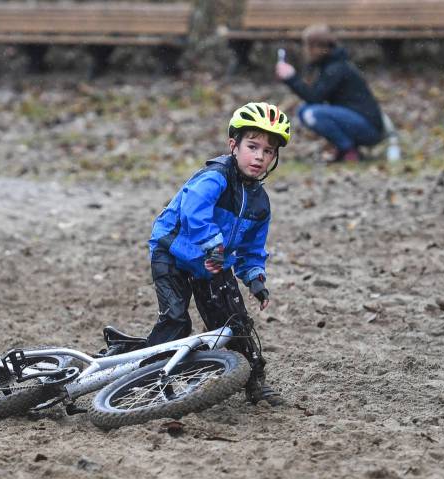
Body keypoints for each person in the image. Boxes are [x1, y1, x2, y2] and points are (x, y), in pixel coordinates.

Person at [103, 102, 289, 406]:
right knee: (176, 321)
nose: (259, 156)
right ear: (234, 145)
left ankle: (255, 382)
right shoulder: (215, 177)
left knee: (237, 325)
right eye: (252, 146)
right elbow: (193, 211)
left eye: (268, 151)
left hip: (211, 266)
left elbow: (252, 248)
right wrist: (213, 244)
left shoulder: (260, 203)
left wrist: (255, 277)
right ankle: (148, 379)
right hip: (173, 253)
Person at [275, 24, 384, 163]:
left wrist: (291, 78)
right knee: (304, 110)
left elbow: (314, 98)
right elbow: (313, 95)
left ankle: (348, 149)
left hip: (369, 128)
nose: (306, 51)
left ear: (320, 48)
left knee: (312, 113)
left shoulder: (336, 68)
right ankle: (345, 148)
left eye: (308, 47)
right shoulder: (331, 65)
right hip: (358, 121)